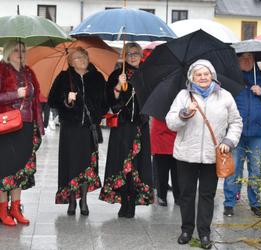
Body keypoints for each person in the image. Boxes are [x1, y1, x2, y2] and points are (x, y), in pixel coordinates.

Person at [166, 59, 242, 249]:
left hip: (212, 154)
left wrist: (228, 141)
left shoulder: (225, 96)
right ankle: (186, 230)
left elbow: (236, 122)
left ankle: (205, 233)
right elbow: (170, 122)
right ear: (192, 77)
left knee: (207, 195)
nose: (202, 77)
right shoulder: (184, 96)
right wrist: (184, 114)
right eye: (198, 74)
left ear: (212, 76)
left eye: (206, 74)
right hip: (186, 154)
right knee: (187, 194)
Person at [48, 47, 107, 216]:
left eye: (84, 56)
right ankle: (72, 200)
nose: (82, 59)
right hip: (70, 129)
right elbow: (52, 100)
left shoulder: (97, 77)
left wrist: (96, 114)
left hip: (88, 129)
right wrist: (66, 99)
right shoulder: (63, 77)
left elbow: (104, 102)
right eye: (77, 57)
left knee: (87, 165)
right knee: (71, 164)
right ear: (70, 62)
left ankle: (84, 201)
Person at [100, 42, 154, 218]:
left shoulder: (147, 73)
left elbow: (152, 98)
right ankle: (124, 201)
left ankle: (133, 202)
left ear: (140, 55)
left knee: (138, 166)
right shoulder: (117, 73)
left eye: (135, 53)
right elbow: (111, 104)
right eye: (129, 53)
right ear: (124, 55)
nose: (132, 56)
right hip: (122, 128)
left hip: (140, 127)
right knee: (122, 165)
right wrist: (117, 86)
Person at [223, 53, 261, 218]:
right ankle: (229, 203)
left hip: (257, 132)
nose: (246, 61)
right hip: (236, 132)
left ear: (254, 59)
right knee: (234, 169)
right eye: (243, 58)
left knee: (255, 170)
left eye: (250, 58)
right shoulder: (231, 77)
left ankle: (255, 204)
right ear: (237, 60)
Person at [0, 41, 44, 226]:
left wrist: (39, 126)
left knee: (20, 169)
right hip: (7, 126)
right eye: (17, 50)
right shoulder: (2, 70)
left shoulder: (28, 72)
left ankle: (16, 209)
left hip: (26, 126)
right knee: (4, 168)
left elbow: (37, 100)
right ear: (9, 53)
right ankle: (3, 210)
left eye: (23, 50)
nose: (20, 53)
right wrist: (14, 94)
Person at [150, 117, 179, 207]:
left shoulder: (158, 107)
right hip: (164, 139)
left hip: (167, 139)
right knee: (173, 173)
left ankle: (162, 196)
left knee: (163, 173)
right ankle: (173, 196)